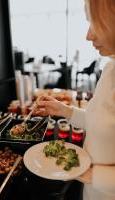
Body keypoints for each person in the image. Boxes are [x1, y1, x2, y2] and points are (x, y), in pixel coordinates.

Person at [37, 0, 115, 199]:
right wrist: (66, 111)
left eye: (94, 23)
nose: (88, 35)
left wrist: (92, 174)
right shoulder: (110, 68)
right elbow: (102, 123)